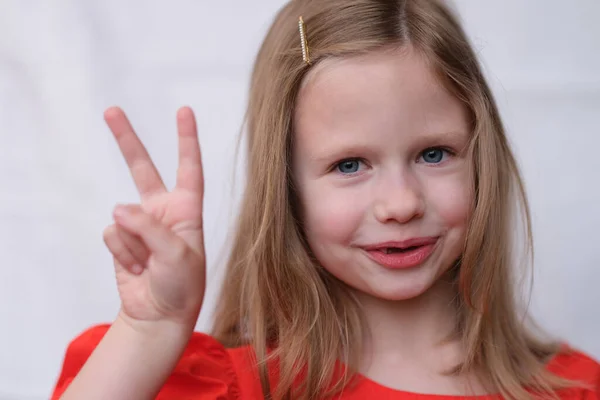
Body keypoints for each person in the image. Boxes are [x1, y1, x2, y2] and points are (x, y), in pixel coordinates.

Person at [51, 0, 600, 399]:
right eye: (349, 165)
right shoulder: (226, 386)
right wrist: (151, 330)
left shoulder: (572, 388)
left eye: (434, 154)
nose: (401, 203)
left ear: (484, 160)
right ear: (285, 189)